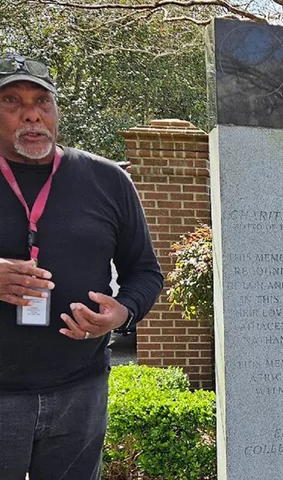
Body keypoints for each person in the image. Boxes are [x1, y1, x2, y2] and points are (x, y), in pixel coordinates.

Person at [0, 53, 163, 479]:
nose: (31, 114)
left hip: (81, 390)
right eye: (12, 101)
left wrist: (122, 313)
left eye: (43, 102)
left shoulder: (108, 180)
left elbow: (145, 271)